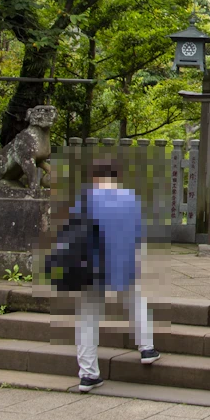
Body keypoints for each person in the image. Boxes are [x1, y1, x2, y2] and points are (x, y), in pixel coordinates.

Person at [74, 157, 158, 392]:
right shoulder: (131, 198)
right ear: (116, 176)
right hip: (123, 261)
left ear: (94, 177)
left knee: (88, 318)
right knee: (135, 300)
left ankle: (89, 374)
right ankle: (147, 348)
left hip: (91, 265)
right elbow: (138, 234)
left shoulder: (85, 198)